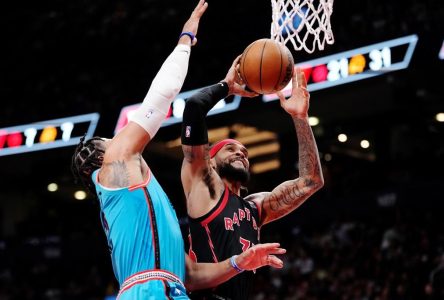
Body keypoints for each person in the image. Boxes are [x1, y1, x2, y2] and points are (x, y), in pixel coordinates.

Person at [71, 1, 287, 299]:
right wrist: (187, 40)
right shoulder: (116, 160)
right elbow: (163, 94)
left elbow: (192, 275)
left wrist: (239, 263)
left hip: (168, 288)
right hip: (149, 291)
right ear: (102, 153)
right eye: (111, 137)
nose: (118, 137)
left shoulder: (142, 198)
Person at [180, 58, 325, 299]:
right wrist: (226, 86)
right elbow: (194, 106)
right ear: (211, 161)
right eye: (231, 149)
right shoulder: (204, 184)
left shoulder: (255, 207)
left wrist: (300, 118)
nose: (240, 153)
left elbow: (311, 181)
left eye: (245, 153)